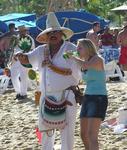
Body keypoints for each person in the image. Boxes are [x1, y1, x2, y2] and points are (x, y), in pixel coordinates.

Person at [15, 12, 81, 150]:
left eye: (56, 32)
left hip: (67, 95)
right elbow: (28, 59)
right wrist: (21, 57)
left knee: (67, 132)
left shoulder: (71, 49)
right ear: (45, 36)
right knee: (45, 131)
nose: (53, 35)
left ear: (61, 34)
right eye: (50, 33)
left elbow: (82, 65)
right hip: (45, 97)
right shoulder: (40, 50)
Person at [69, 38, 108, 150]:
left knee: (92, 135)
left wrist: (73, 58)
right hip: (88, 97)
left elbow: (86, 65)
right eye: (77, 47)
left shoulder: (97, 59)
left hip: (98, 98)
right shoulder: (85, 62)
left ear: (88, 48)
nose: (77, 50)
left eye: (80, 47)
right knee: (83, 134)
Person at [10, 25, 35, 100]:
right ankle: (18, 92)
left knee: (23, 76)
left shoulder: (29, 39)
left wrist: (24, 55)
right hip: (16, 59)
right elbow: (13, 49)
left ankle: (23, 94)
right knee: (13, 76)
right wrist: (12, 58)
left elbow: (32, 50)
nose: (22, 32)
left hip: (25, 58)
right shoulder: (16, 38)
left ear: (26, 31)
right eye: (20, 31)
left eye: (23, 31)